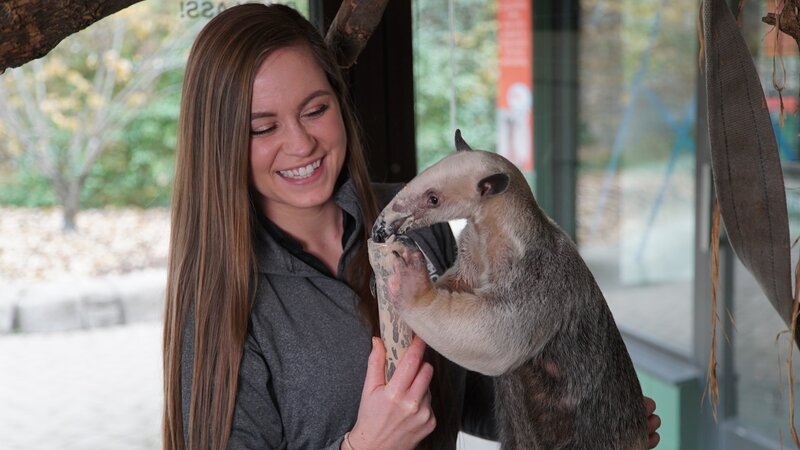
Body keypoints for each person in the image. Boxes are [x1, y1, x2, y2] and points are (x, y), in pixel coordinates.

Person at [162, 3, 662, 449]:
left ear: (339, 101)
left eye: (315, 110)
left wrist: (586, 413)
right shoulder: (218, 299)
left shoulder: (421, 232)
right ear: (220, 139)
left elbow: (460, 397)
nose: (301, 143)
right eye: (263, 127)